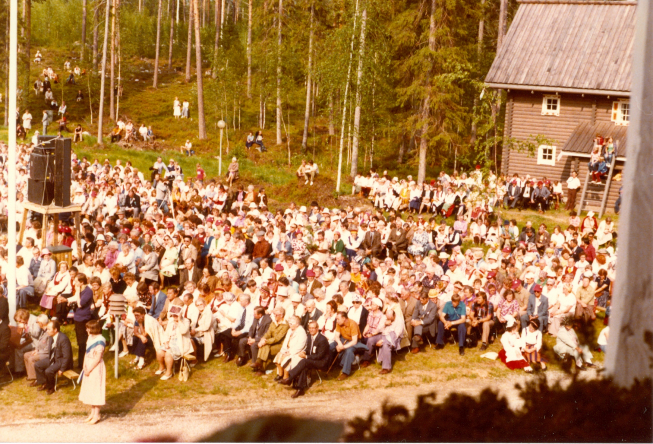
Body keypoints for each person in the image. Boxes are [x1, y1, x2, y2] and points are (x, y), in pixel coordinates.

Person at [278, 320, 330, 398]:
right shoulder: (309, 336)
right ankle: (300, 389)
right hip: (312, 359)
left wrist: (306, 357)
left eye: (313, 328)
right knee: (303, 364)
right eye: (310, 328)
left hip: (322, 362)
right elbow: (308, 349)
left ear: (317, 328)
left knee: (304, 362)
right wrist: (304, 352)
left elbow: (320, 356)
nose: (311, 330)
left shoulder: (322, 340)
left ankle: (290, 378)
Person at [34, 320, 73, 395]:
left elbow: (67, 356)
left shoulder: (63, 339)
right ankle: (44, 383)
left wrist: (62, 369)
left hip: (61, 361)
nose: (47, 330)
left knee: (48, 371)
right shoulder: (51, 337)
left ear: (55, 330)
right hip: (53, 358)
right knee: (37, 365)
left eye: (49, 329)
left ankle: (51, 387)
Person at [78, 320, 106, 425]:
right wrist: (84, 365)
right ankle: (92, 413)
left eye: (88, 328)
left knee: (96, 390)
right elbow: (86, 352)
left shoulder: (100, 340)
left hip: (96, 366)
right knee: (90, 389)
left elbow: (98, 358)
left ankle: (97, 414)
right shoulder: (90, 337)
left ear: (93, 328)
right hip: (88, 364)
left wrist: (89, 368)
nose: (86, 330)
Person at [329, 311, 367, 381]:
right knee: (330, 346)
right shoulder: (339, 323)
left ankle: (345, 372)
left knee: (349, 351)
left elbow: (354, 341)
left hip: (353, 341)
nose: (337, 321)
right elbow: (336, 336)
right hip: (343, 339)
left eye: (338, 319)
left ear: (344, 318)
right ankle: (330, 365)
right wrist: (339, 344)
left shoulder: (353, 324)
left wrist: (343, 347)